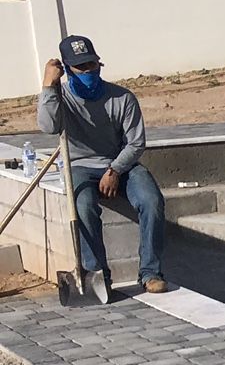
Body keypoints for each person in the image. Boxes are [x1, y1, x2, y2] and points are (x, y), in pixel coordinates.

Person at [37, 35, 167, 301]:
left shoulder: (122, 97)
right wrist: (48, 86)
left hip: (121, 162)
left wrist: (115, 170)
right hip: (79, 166)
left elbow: (136, 143)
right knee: (83, 207)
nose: (87, 72)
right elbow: (49, 127)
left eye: (91, 65)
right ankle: (98, 277)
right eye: (80, 67)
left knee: (151, 200)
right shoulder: (61, 98)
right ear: (67, 69)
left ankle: (150, 273)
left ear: (99, 63)